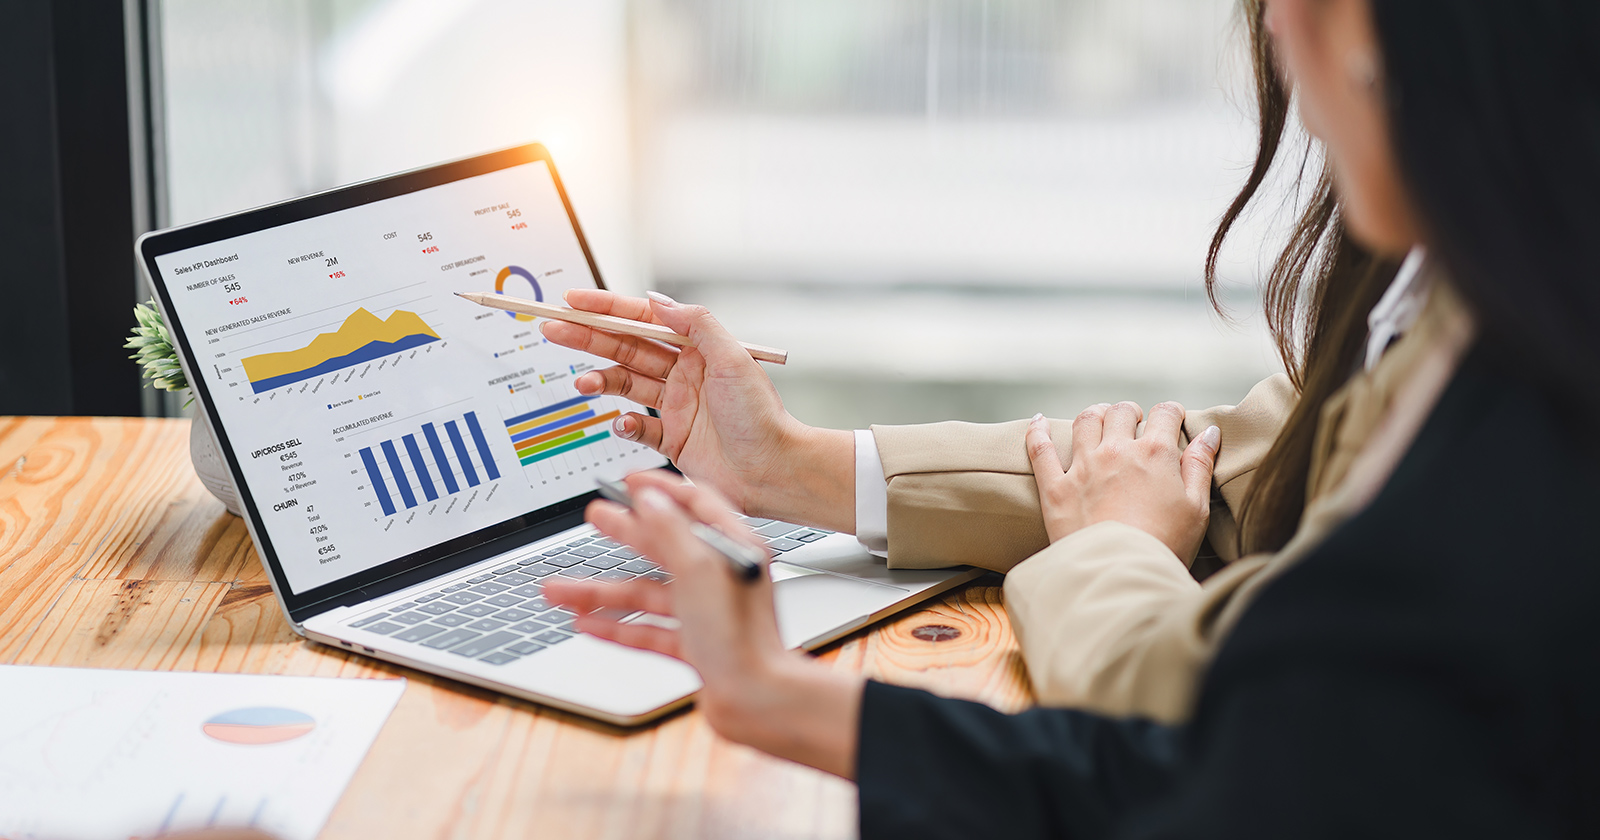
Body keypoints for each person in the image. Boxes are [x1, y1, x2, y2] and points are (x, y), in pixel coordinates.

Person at [543, 0, 1600, 835]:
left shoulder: (1513, 465)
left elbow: (1222, 733)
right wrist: (786, 465)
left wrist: (1111, 546)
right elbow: (1224, 465)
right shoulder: (1481, 300)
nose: (1274, 26)